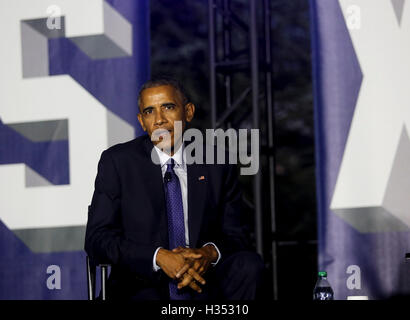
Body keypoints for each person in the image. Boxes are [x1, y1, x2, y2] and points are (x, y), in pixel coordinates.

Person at [84, 77, 265, 300]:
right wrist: (158, 257)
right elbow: (97, 239)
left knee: (248, 265)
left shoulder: (216, 162)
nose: (159, 119)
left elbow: (237, 235)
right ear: (142, 122)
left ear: (188, 112)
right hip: (142, 281)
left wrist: (206, 254)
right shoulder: (118, 162)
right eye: (150, 112)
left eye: (168, 107)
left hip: (202, 278)